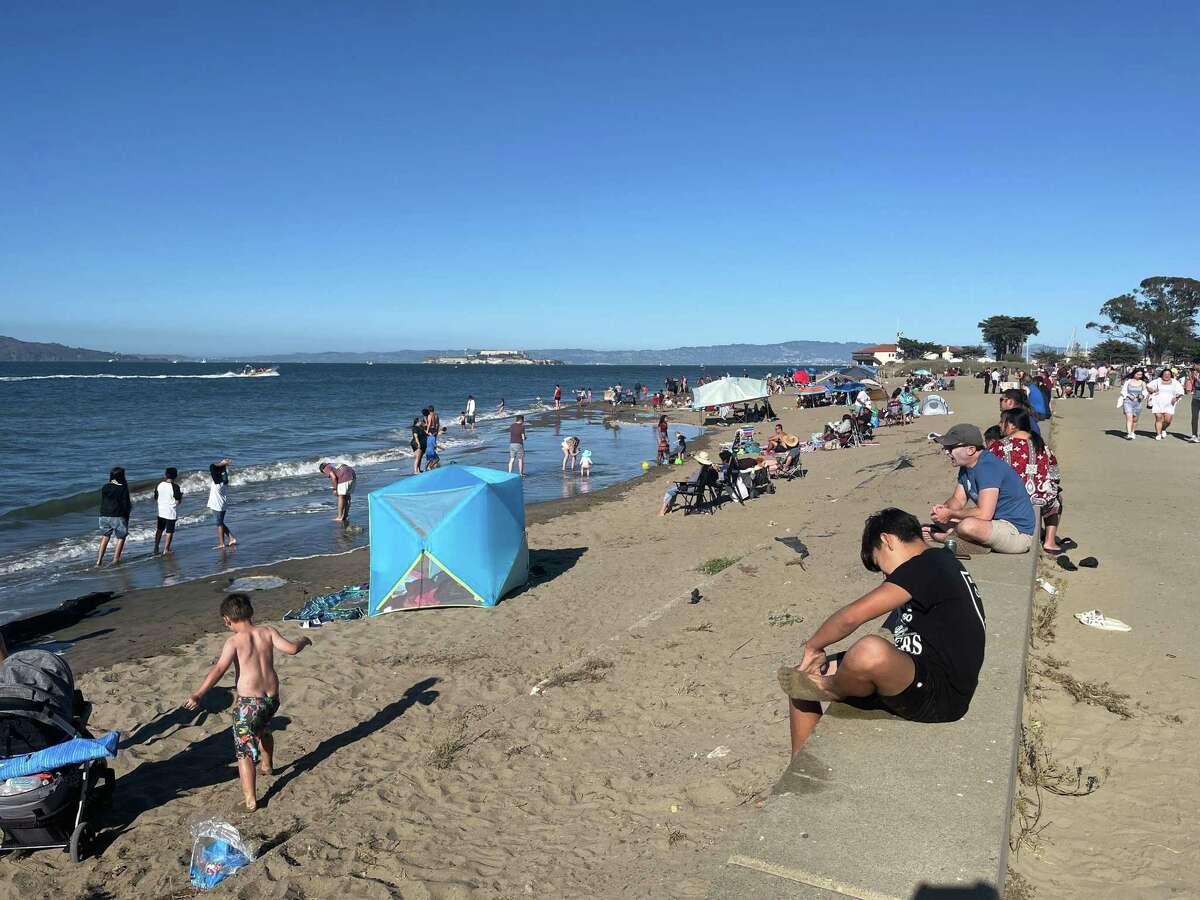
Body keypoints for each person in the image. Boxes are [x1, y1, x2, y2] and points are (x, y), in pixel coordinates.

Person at [778, 508, 986, 754]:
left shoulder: (926, 565)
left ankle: (832, 686)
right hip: (920, 671)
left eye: (880, 565)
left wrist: (813, 646)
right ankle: (798, 767)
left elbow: (851, 617)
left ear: (887, 540)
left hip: (940, 695)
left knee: (868, 651)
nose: (886, 576)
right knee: (801, 677)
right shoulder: (940, 561)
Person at [184, 593, 311, 811]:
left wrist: (198, 694)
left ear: (227, 619)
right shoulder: (267, 631)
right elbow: (291, 649)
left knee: (243, 751)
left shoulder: (233, 641)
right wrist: (303, 640)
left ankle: (251, 800)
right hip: (271, 700)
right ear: (250, 612)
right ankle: (267, 764)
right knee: (261, 729)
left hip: (249, 704)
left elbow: (218, 669)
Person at [929, 423, 1035, 554]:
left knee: (967, 526)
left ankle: (947, 538)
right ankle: (974, 544)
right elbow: (958, 500)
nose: (946, 451)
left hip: (1016, 532)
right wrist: (943, 510)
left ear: (971, 450)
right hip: (992, 524)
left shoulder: (987, 467)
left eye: (950, 448)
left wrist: (950, 515)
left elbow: (984, 513)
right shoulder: (967, 466)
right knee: (938, 518)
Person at [988, 408, 1063, 552]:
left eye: (1002, 422)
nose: (999, 425)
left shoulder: (1000, 446)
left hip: (1011, 498)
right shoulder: (1041, 445)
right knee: (1057, 498)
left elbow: (988, 470)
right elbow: (1055, 475)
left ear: (1012, 425)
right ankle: (1050, 541)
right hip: (1040, 497)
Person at [659, 451, 719, 515]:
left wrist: (681, 483)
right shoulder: (707, 470)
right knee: (675, 486)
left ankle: (662, 511)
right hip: (699, 489)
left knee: (670, 490)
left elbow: (690, 483)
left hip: (691, 488)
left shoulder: (699, 471)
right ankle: (670, 507)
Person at [96, 466, 132, 567]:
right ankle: (115, 559)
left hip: (104, 515)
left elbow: (105, 502)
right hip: (117, 515)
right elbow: (125, 504)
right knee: (121, 537)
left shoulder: (105, 487)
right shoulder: (122, 488)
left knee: (105, 536)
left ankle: (99, 561)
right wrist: (126, 516)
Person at [1147, 367, 1185, 441]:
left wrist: (1176, 397)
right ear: (1162, 374)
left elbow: (1181, 391)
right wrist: (1153, 390)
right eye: (1165, 374)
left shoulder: (1175, 382)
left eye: (1168, 374)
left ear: (1171, 375)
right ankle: (1158, 434)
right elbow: (1148, 386)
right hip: (1157, 402)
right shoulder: (1157, 381)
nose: (1166, 375)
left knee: (1168, 420)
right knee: (1158, 418)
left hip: (1170, 403)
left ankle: (1163, 429)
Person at [207, 458, 237, 549]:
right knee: (220, 523)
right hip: (222, 505)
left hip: (218, 506)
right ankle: (231, 538)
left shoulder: (217, 484)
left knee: (219, 524)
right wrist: (224, 465)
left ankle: (221, 543)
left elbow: (212, 466)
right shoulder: (224, 481)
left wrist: (222, 463)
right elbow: (220, 471)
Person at [153, 467, 183, 555]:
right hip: (170, 512)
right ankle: (166, 549)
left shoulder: (159, 484)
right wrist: (181, 497)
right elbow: (177, 502)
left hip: (161, 511)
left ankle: (156, 546)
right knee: (169, 531)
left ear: (165, 475)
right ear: (175, 476)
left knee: (159, 529)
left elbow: (156, 497)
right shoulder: (175, 486)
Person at [1118, 367, 1149, 440]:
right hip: (1128, 401)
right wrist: (1128, 395)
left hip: (1137, 403)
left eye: (1141, 375)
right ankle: (1129, 434)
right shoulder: (1128, 381)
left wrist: (1142, 396)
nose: (1139, 376)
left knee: (1135, 419)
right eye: (1138, 374)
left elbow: (1145, 392)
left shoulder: (1143, 383)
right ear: (1134, 374)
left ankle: (1132, 432)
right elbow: (1123, 391)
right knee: (1129, 417)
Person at [1190, 363, 1200, 443]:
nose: (1193, 367)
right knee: (1194, 417)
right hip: (1195, 398)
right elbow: (1194, 386)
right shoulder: (1195, 373)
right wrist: (1191, 378)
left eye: (1194, 365)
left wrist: (1197, 378)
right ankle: (1194, 435)